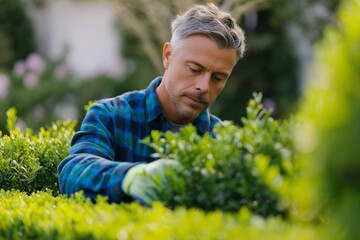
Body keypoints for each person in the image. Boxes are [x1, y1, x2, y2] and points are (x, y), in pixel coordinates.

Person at [57, 3, 245, 206]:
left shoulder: (223, 140)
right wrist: (131, 177)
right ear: (168, 56)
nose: (204, 87)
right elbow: (73, 171)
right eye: (194, 69)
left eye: (217, 77)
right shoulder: (111, 115)